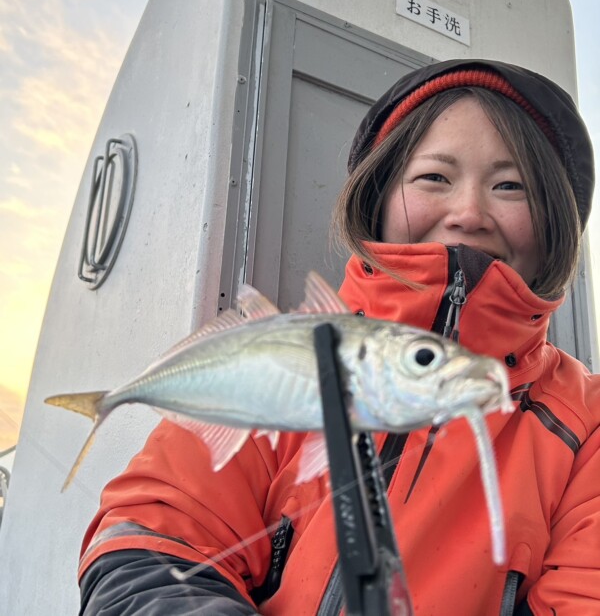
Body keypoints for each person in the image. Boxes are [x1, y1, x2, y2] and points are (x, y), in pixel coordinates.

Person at [78, 59, 599, 615]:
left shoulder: (584, 424)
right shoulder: (281, 358)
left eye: (510, 185)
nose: (468, 212)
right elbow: (155, 537)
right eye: (434, 178)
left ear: (554, 225)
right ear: (378, 196)